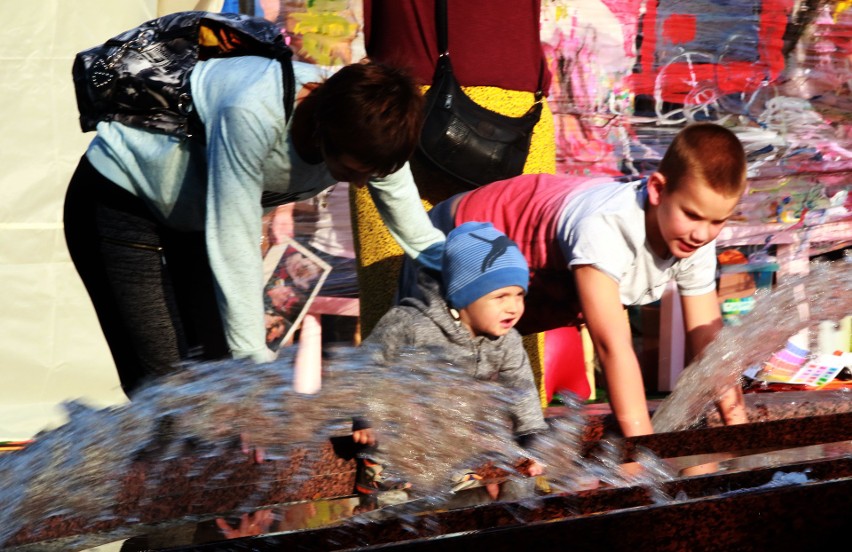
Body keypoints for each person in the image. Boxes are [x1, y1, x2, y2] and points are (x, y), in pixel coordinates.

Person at [63, 56, 445, 398]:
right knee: (165, 387)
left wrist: (475, 269)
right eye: (352, 172)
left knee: (217, 377)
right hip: (121, 204)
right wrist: (256, 370)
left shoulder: (375, 135)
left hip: (192, 223)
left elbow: (416, 231)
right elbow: (234, 240)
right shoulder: (255, 110)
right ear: (322, 129)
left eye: (371, 175)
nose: (360, 184)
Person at [404, 123, 750, 437]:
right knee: (430, 398)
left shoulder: (696, 235)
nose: (702, 234)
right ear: (658, 189)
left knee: (494, 417)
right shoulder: (605, 228)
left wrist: (741, 438)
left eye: (717, 221)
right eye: (691, 215)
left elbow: (709, 342)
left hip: (525, 280)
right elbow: (613, 347)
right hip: (453, 245)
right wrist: (644, 458)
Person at [353, 222, 548, 505]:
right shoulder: (411, 324)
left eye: (519, 295)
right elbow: (364, 364)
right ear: (464, 295)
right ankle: (383, 483)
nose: (513, 307)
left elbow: (522, 393)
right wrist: (364, 416)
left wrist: (532, 444)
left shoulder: (508, 342)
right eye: (500, 296)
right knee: (393, 523)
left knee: (475, 508)